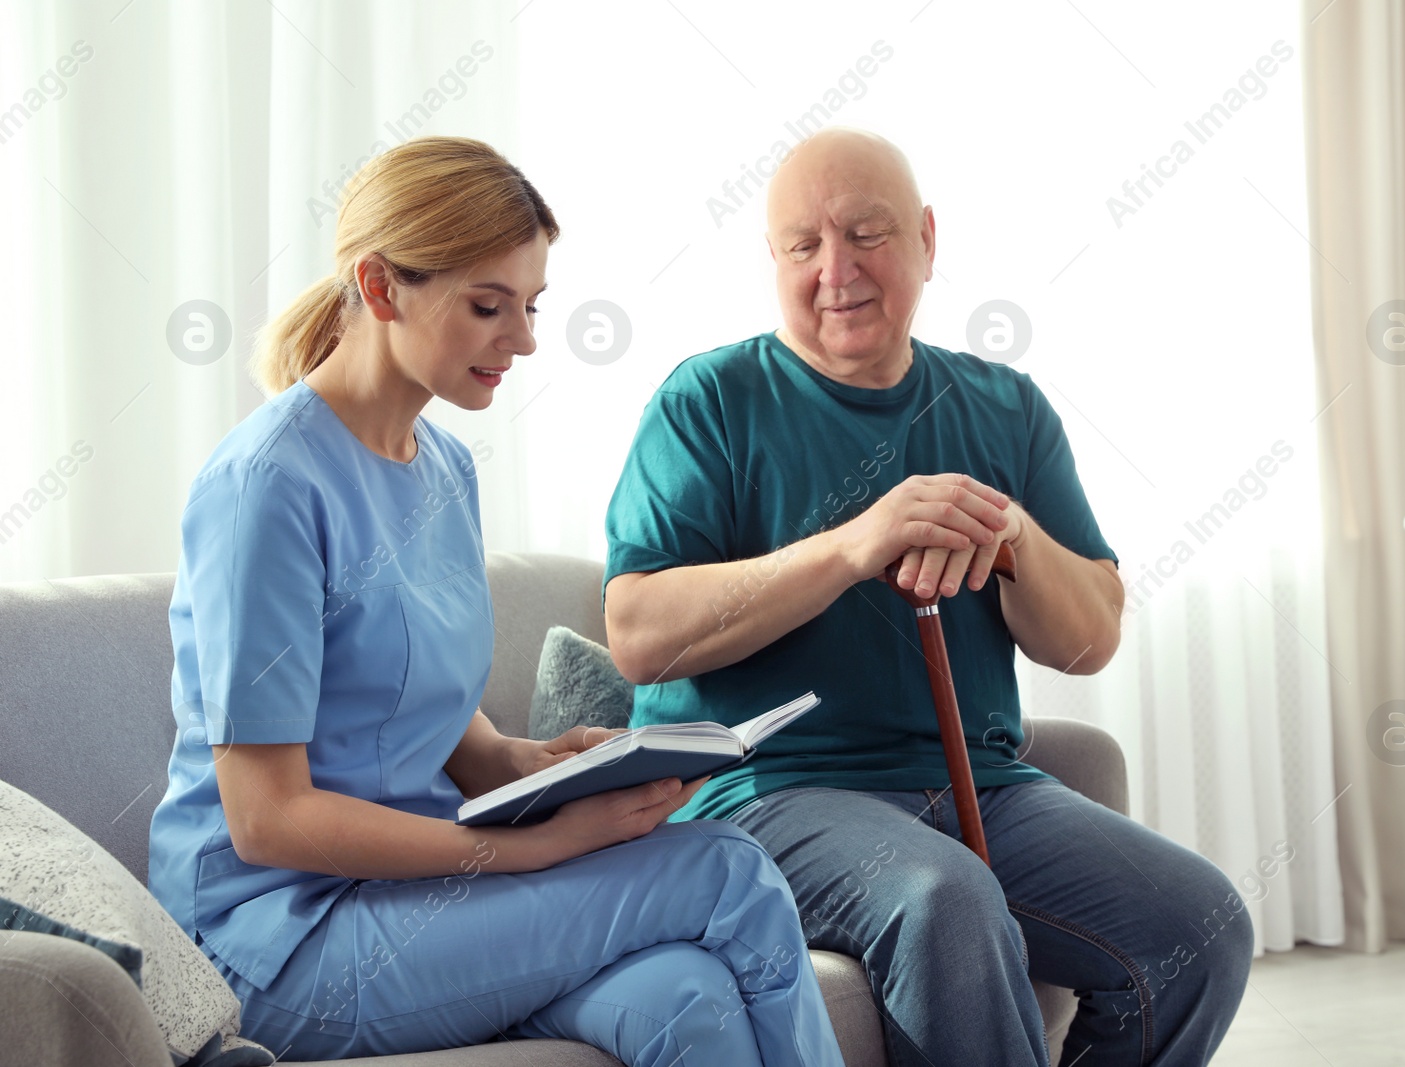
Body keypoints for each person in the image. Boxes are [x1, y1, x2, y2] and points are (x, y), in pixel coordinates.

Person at [147, 136, 845, 1067]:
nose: (523, 339)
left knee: (690, 999)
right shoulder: (266, 486)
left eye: (530, 306)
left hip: (411, 902)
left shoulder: (442, 466)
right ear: (381, 286)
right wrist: (538, 847)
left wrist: (539, 762)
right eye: (488, 306)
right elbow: (268, 817)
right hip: (277, 939)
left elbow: (415, 712)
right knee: (728, 870)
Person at [603, 127, 1253, 1066]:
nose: (836, 269)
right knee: (943, 897)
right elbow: (636, 634)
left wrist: (1018, 538)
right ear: (774, 260)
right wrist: (852, 545)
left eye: (867, 233)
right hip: (766, 795)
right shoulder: (707, 401)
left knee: (1200, 924)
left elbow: (1090, 639)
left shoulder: (1006, 406)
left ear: (927, 241)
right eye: (803, 245)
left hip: (980, 785)